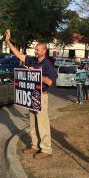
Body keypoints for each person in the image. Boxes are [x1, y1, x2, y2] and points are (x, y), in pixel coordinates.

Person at [4, 29, 57, 159]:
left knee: (42, 123)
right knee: (32, 123)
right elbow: (18, 55)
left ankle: (46, 149)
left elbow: (50, 82)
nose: (35, 51)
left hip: (42, 95)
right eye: (35, 49)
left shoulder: (47, 64)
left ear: (44, 51)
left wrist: (37, 74)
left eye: (37, 49)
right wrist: (8, 41)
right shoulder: (33, 60)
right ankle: (35, 145)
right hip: (32, 95)